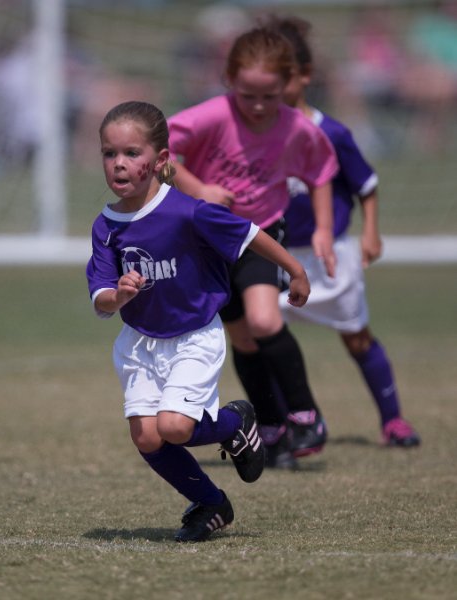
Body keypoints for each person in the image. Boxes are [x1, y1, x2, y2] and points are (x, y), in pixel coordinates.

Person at [86, 100, 312, 542]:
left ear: (160, 161)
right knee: (148, 438)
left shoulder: (188, 211)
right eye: (109, 154)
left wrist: (297, 271)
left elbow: (249, 234)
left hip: (194, 337)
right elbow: (100, 299)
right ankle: (211, 502)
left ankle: (235, 424)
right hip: (139, 343)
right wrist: (120, 294)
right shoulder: (106, 226)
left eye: (132, 153)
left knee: (175, 427)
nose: (119, 164)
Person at [167, 27, 338, 468]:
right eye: (249, 96)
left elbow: (321, 172)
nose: (260, 106)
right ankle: (271, 423)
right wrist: (199, 187)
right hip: (208, 242)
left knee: (264, 320)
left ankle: (306, 415)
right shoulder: (210, 116)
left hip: (262, 235)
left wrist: (322, 228)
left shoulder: (297, 127)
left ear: (288, 85)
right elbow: (158, 153)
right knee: (240, 337)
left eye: (270, 96)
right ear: (228, 80)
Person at [267, 15, 421, 448]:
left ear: (305, 76)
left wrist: (371, 233)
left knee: (357, 338)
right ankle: (293, 426)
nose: (277, 89)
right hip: (276, 256)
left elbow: (366, 186)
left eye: (285, 78)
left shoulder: (332, 132)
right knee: (266, 336)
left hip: (330, 255)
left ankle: (393, 421)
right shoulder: (258, 135)